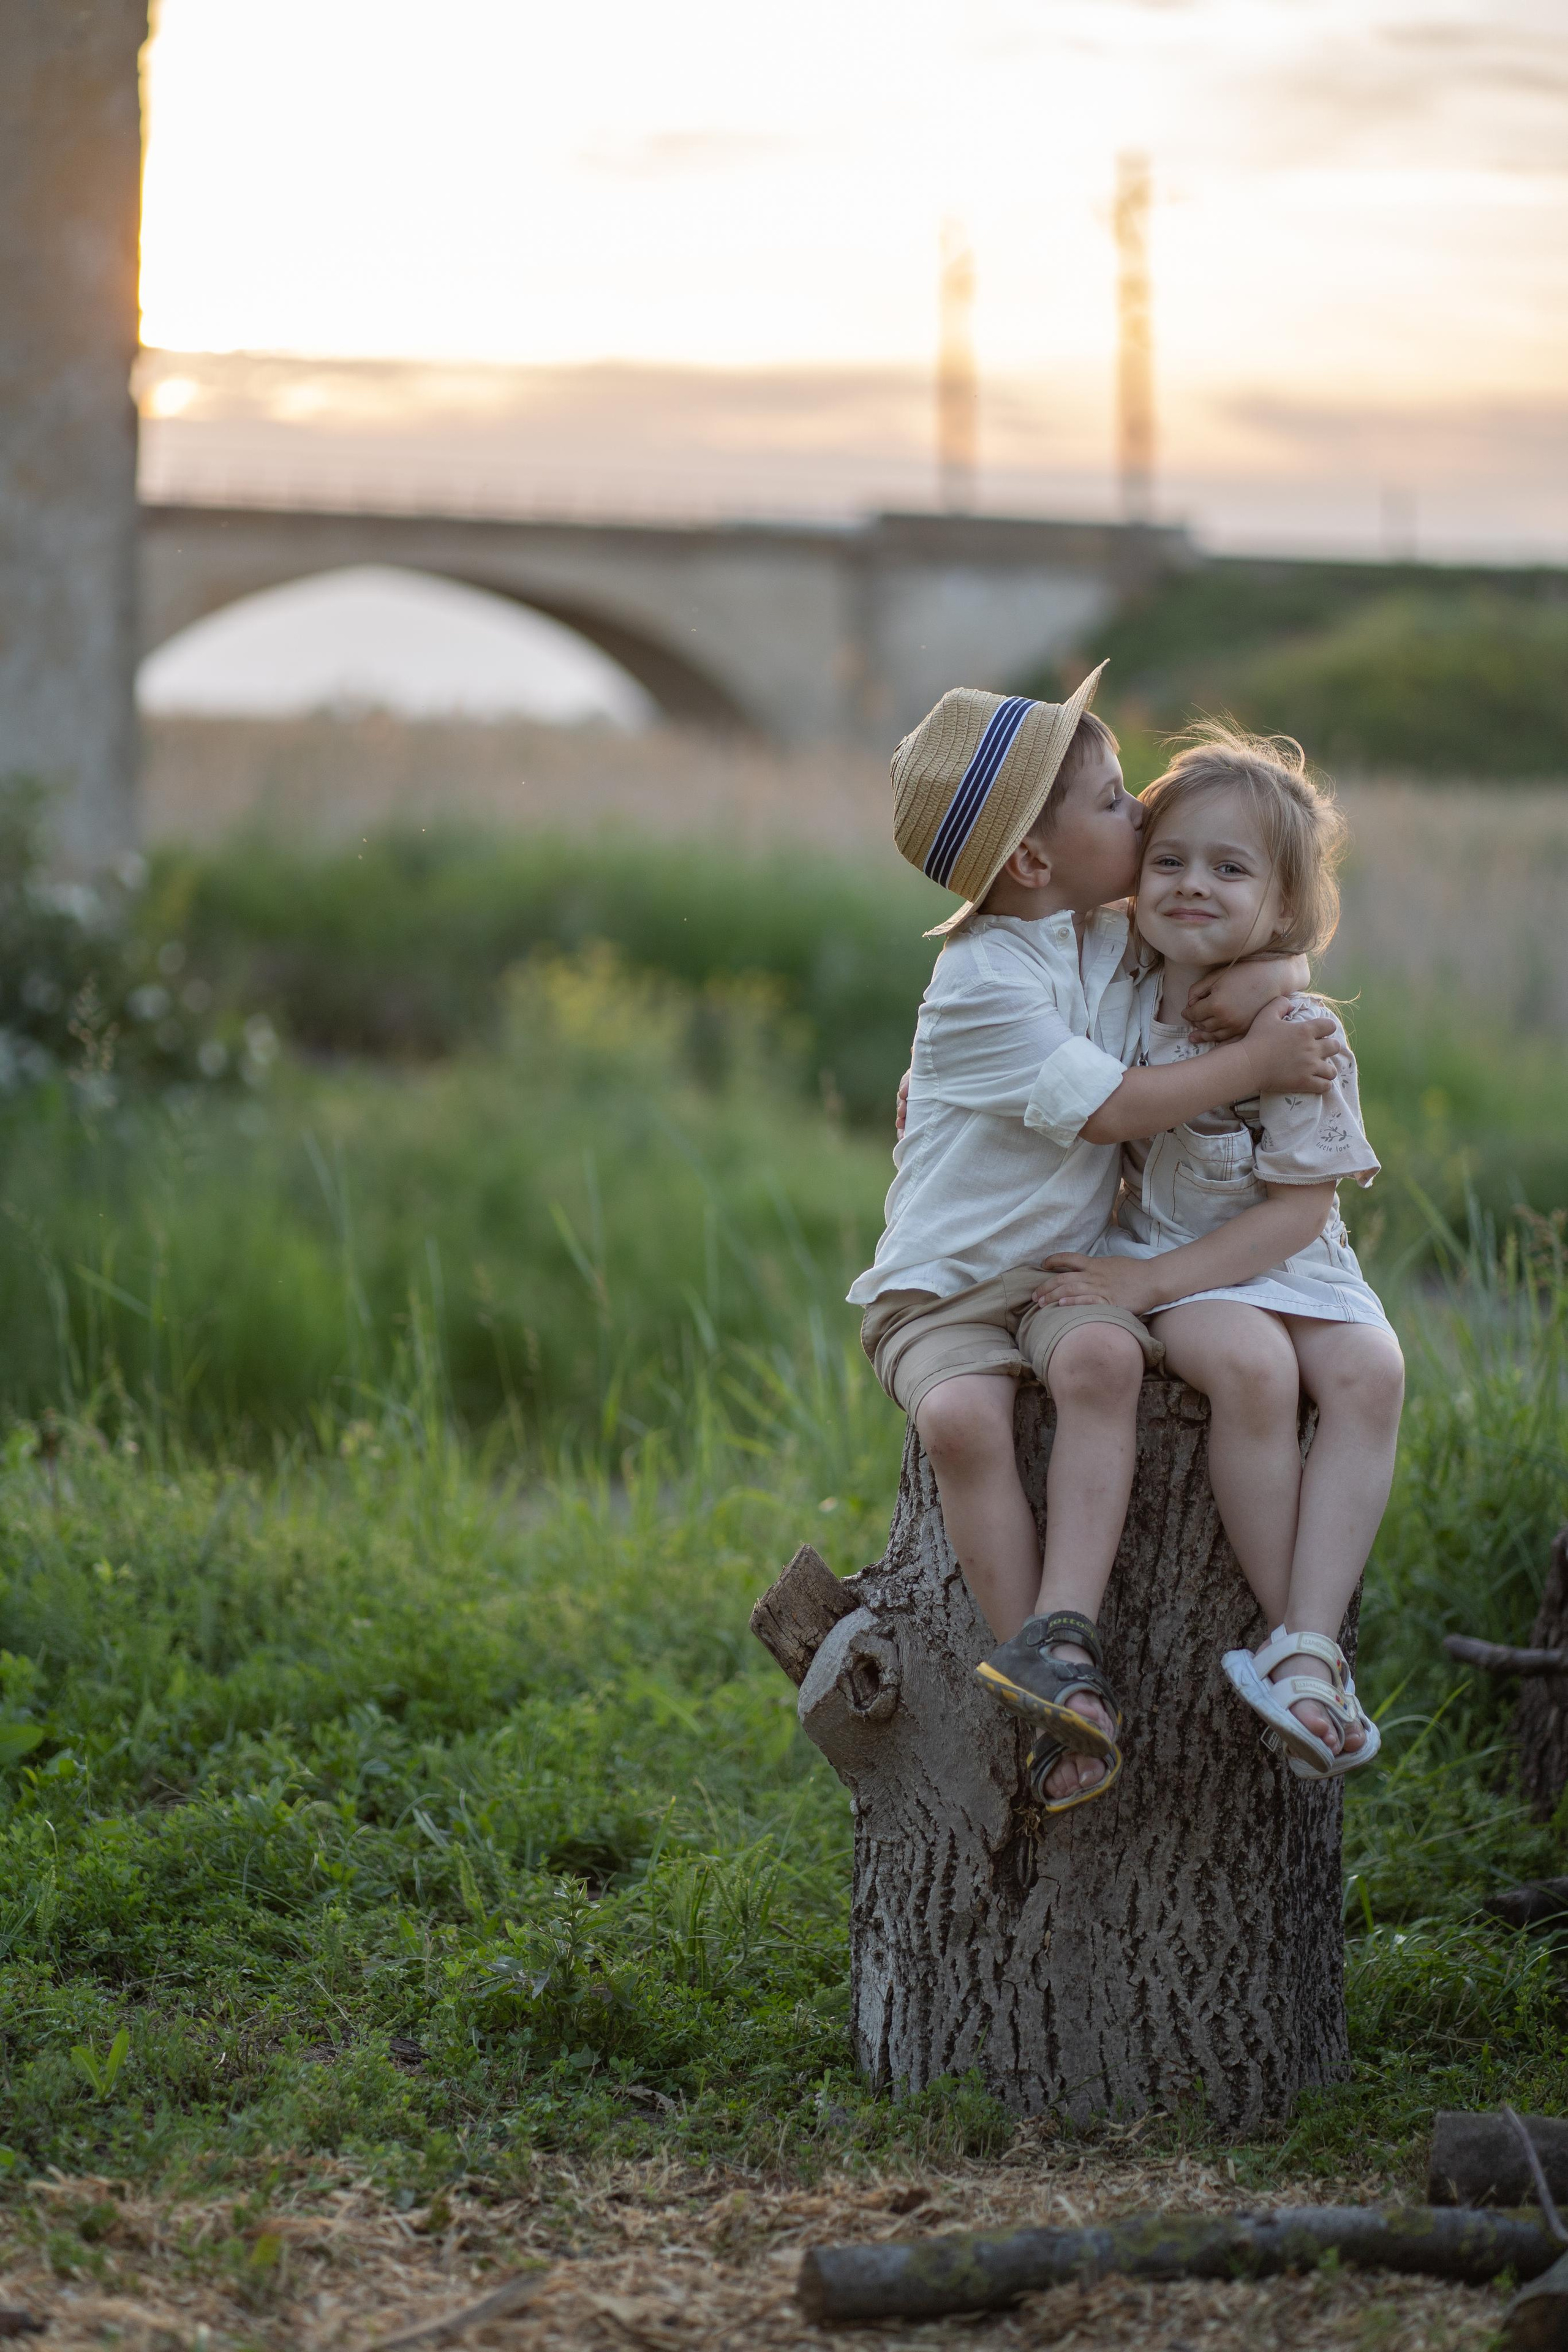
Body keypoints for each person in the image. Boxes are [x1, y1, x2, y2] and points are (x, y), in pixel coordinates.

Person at [852, 672, 1342, 1812]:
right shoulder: (982, 982)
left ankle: (1065, 1630)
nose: (1145, 820)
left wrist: (1279, 976)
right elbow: (1120, 1107)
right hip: (943, 1290)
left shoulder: (1096, 935)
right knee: (967, 1420)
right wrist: (1259, 1061)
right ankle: (1046, 1676)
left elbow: (1246, 932)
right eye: (1117, 804)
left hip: (1061, 1271)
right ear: (1034, 860)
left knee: (1104, 1359)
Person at [1031, 725, 1404, 1780]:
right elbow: (1014, 970)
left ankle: (1308, 1647)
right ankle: (1301, 1655)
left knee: (1372, 1370)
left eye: (1230, 870)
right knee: (1252, 1367)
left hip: (1290, 1253)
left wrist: (1280, 975)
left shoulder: (1299, 1031)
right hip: (1159, 1249)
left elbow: (1296, 1216)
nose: (1192, 886)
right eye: (1172, 860)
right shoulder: (1115, 963)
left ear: (1283, 908)